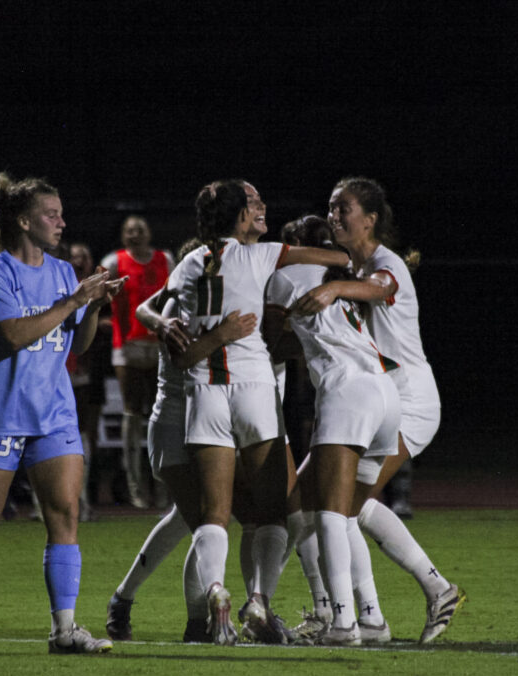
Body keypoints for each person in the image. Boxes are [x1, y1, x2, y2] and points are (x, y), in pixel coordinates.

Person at [0, 171, 123, 656]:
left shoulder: (59, 270)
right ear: (22, 220)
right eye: (50, 215)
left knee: (65, 516)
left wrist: (92, 308)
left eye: (60, 213)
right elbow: (13, 335)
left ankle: (65, 629)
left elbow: (75, 343)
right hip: (3, 413)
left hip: (53, 413)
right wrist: (75, 299)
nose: (61, 221)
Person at [164, 180, 350, 645]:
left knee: (213, 514)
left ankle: (215, 590)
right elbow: (338, 259)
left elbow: (175, 344)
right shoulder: (263, 254)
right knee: (271, 513)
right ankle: (260, 601)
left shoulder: (187, 265)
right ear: (242, 218)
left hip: (204, 391)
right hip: (254, 388)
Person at [293, 177, 465, 644]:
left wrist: (334, 291)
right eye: (330, 207)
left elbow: (380, 288)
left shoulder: (383, 266)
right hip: (376, 401)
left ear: (369, 219)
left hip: (409, 401)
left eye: (343, 208)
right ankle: (378, 611)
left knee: (338, 508)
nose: (334, 216)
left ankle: (352, 616)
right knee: (320, 503)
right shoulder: (347, 267)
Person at [105, 238, 257, 643]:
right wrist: (225, 333)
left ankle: (123, 600)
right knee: (206, 523)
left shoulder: (190, 297)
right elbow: (186, 355)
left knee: (189, 522)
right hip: (174, 428)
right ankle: (197, 621)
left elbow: (144, 308)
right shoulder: (186, 304)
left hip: (205, 426)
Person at [264, 215, 401, 646]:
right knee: (347, 516)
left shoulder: (285, 273)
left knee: (329, 513)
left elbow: (267, 342)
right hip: (384, 393)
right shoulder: (340, 276)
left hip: (347, 392)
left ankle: (343, 623)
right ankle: (373, 619)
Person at [101, 216, 174, 508]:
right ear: (122, 235)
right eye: (129, 230)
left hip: (158, 344)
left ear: (149, 232)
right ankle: (135, 486)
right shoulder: (115, 261)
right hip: (128, 346)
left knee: (161, 413)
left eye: (139, 230)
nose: (134, 235)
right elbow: (99, 294)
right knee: (132, 412)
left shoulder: (164, 259)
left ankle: (163, 485)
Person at [65, 243, 107, 520]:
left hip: (89, 373)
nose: (78, 260)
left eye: (84, 256)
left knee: (85, 434)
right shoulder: (61, 285)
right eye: (74, 256)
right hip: (60, 370)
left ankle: (84, 499)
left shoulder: (98, 289)